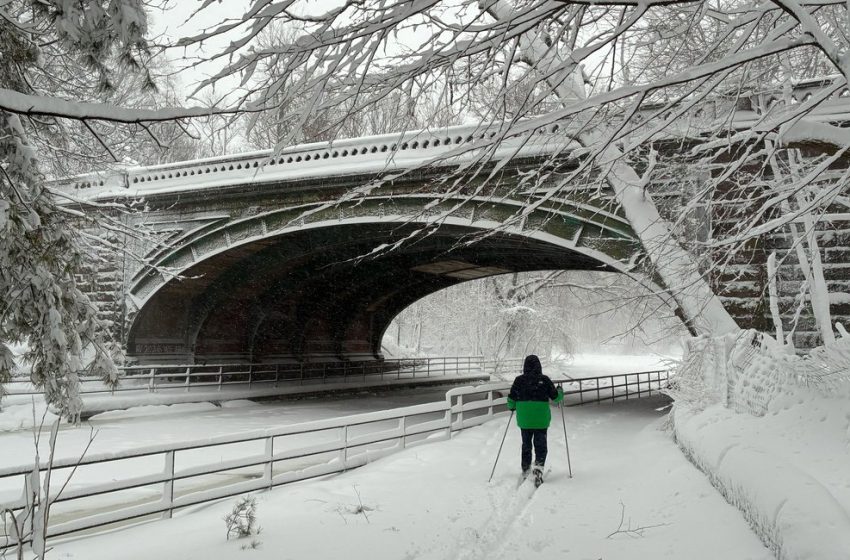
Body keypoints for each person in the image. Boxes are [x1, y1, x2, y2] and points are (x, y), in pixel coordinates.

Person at [506, 354, 563, 484]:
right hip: (540, 420)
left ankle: (526, 469)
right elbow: (556, 398)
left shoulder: (519, 380)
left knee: (526, 445)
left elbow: (511, 400)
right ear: (539, 366)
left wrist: (512, 407)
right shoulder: (545, 380)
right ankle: (538, 468)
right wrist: (560, 391)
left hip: (525, 420)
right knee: (540, 445)